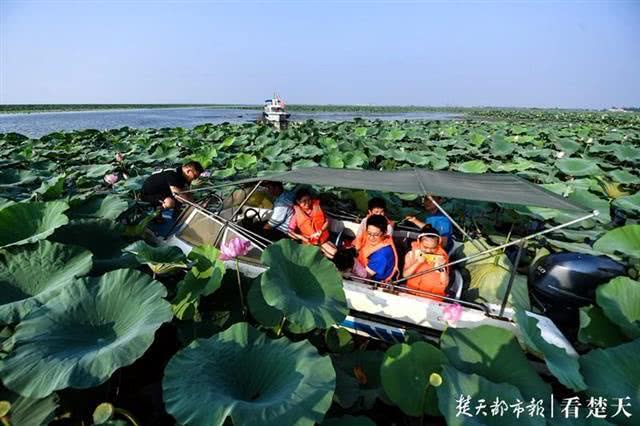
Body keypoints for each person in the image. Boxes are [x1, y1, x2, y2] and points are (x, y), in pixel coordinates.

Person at [403, 225, 450, 301]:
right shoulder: (411, 254)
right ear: (419, 242)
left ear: (438, 244)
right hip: (411, 293)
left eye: (433, 248)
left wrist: (442, 268)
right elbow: (405, 275)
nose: (428, 251)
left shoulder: (441, 257)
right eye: (425, 247)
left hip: (431, 297)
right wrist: (417, 262)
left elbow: (445, 283)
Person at [288, 188, 337, 258]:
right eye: (304, 201)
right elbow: (290, 232)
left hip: (323, 240)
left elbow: (327, 221)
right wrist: (302, 237)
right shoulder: (296, 216)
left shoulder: (317, 207)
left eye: (309, 200)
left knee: (333, 254)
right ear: (298, 202)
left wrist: (321, 230)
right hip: (308, 244)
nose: (307, 203)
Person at [355, 214, 398, 282]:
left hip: (371, 283)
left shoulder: (382, 255)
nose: (371, 238)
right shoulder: (373, 241)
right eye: (369, 233)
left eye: (376, 235)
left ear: (384, 233)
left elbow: (364, 277)